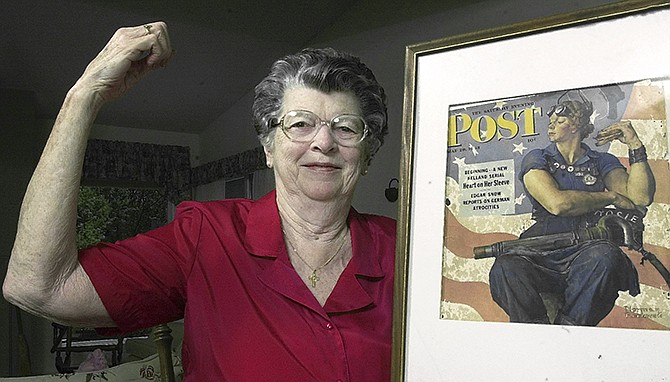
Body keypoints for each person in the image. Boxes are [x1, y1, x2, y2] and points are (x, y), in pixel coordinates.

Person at [3, 22, 395, 381]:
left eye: (345, 127)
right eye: (300, 124)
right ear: (268, 147)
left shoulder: (404, 250)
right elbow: (37, 287)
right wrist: (83, 97)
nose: (323, 142)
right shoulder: (205, 235)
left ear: (366, 153)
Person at [488, 95, 655, 326]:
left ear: (576, 124)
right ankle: (535, 331)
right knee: (506, 267)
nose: (552, 124)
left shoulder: (600, 160)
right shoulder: (538, 158)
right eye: (551, 121)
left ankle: (571, 331)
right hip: (542, 249)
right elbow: (558, 204)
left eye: (560, 119)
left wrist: (635, 145)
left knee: (606, 257)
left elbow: (639, 199)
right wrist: (611, 196)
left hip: (587, 251)